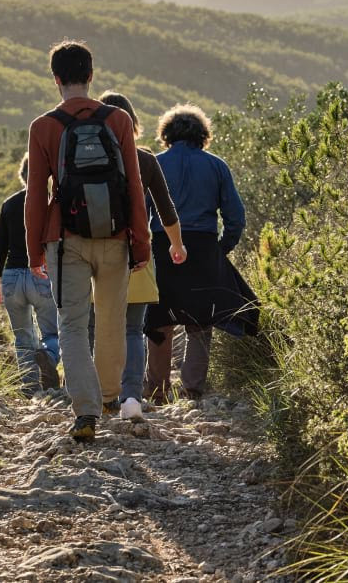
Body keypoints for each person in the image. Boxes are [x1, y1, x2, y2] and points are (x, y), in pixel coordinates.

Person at [25, 41, 151, 443]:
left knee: (72, 326)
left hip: (65, 240)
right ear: (91, 75)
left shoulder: (43, 126)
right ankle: (110, 396)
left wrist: (34, 250)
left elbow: (35, 195)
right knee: (112, 321)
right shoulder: (117, 121)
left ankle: (86, 411)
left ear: (56, 79)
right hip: (115, 237)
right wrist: (142, 245)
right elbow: (134, 184)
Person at [144, 104, 250, 402]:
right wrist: (220, 249)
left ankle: (157, 391)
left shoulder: (156, 164)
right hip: (203, 247)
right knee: (201, 323)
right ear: (203, 134)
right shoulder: (217, 166)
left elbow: (141, 213)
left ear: (166, 134)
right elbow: (236, 218)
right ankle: (192, 391)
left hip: (162, 245)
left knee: (157, 320)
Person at [95, 91, 187, 421]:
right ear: (132, 123)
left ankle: (101, 397)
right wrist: (177, 245)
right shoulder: (145, 159)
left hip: (94, 256)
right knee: (133, 330)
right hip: (137, 252)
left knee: (99, 329)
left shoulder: (88, 158)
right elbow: (166, 210)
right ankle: (131, 396)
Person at [0, 154, 60, 394]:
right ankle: (48, 356)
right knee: (53, 332)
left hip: (11, 277)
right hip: (41, 274)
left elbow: (0, 249)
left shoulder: (8, 204)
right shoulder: (51, 204)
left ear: (22, 175)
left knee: (22, 338)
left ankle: (30, 389)